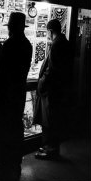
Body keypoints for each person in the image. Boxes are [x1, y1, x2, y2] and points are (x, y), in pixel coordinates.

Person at [0, 12, 32, 181]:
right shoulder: (27, 45)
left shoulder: (8, 45)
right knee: (16, 130)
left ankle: (4, 168)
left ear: (11, 27)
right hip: (18, 96)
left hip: (4, 97)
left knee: (3, 132)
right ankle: (15, 165)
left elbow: (2, 72)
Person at [34, 19, 73, 159]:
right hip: (59, 89)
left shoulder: (57, 45)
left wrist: (42, 83)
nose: (47, 35)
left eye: (47, 32)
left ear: (50, 31)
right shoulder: (65, 43)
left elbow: (53, 70)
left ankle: (50, 150)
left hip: (52, 90)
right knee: (54, 120)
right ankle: (51, 148)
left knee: (49, 121)